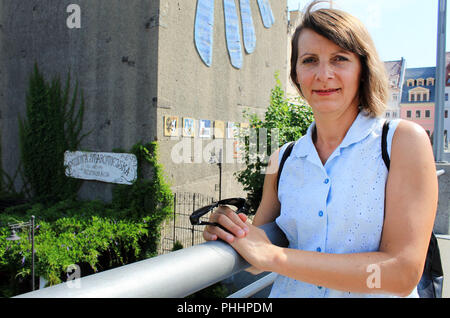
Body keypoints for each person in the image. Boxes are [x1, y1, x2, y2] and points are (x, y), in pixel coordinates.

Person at [203, 0, 438, 297]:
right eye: (310, 60)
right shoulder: (284, 158)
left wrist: (278, 258)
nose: (323, 74)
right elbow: (255, 260)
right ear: (296, 75)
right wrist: (230, 231)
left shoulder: (402, 142)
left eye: (340, 59)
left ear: (363, 70)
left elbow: (401, 274)